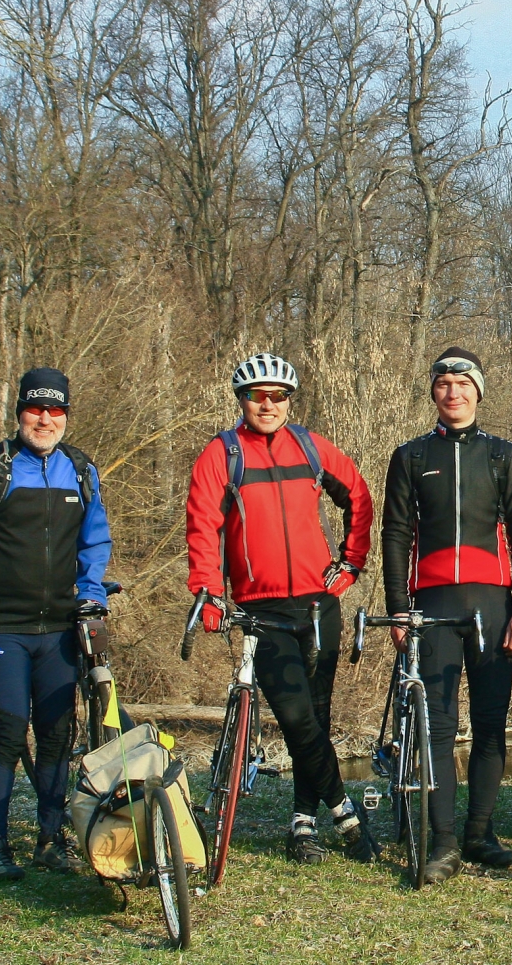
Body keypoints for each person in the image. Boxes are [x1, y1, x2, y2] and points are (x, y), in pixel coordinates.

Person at [186, 352, 375, 865]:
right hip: (260, 610)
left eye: (278, 396)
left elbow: (359, 497)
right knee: (295, 718)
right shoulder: (222, 455)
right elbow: (202, 525)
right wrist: (208, 590)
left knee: (316, 716)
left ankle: (302, 823)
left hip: (318, 605)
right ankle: (345, 814)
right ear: (241, 400)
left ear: (289, 401)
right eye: (257, 396)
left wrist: (351, 563)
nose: (267, 405)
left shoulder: (311, 447)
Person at [0, 367, 112, 879]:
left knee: (57, 734)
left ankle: (50, 840)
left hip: (58, 628)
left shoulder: (81, 470)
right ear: (19, 413)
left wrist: (91, 593)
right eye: (35, 409)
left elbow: (95, 540)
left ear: (66, 416)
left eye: (55, 410)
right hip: (0, 627)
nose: (45, 419)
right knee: (10, 733)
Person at [381, 346, 512, 885]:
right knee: (439, 727)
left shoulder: (502, 455)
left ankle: (480, 833)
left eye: (463, 383)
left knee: (490, 723)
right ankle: (444, 841)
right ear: (434, 392)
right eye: (444, 384)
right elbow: (396, 534)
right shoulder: (410, 456)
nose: (454, 393)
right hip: (433, 605)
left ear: (478, 392)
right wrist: (397, 609)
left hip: (493, 605)